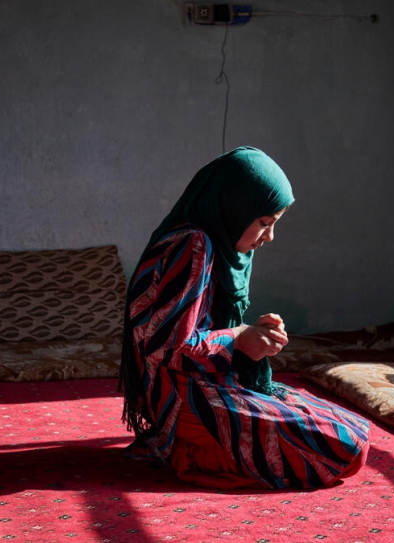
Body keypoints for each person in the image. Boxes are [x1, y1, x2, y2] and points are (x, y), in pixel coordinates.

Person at [118, 146, 371, 490]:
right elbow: (168, 349)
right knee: (344, 447)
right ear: (235, 208)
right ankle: (185, 448)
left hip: (208, 381)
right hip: (180, 395)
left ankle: (203, 445)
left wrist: (255, 333)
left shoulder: (218, 244)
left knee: (352, 430)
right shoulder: (194, 245)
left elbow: (204, 327)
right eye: (264, 223)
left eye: (274, 224)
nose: (269, 237)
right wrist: (238, 337)